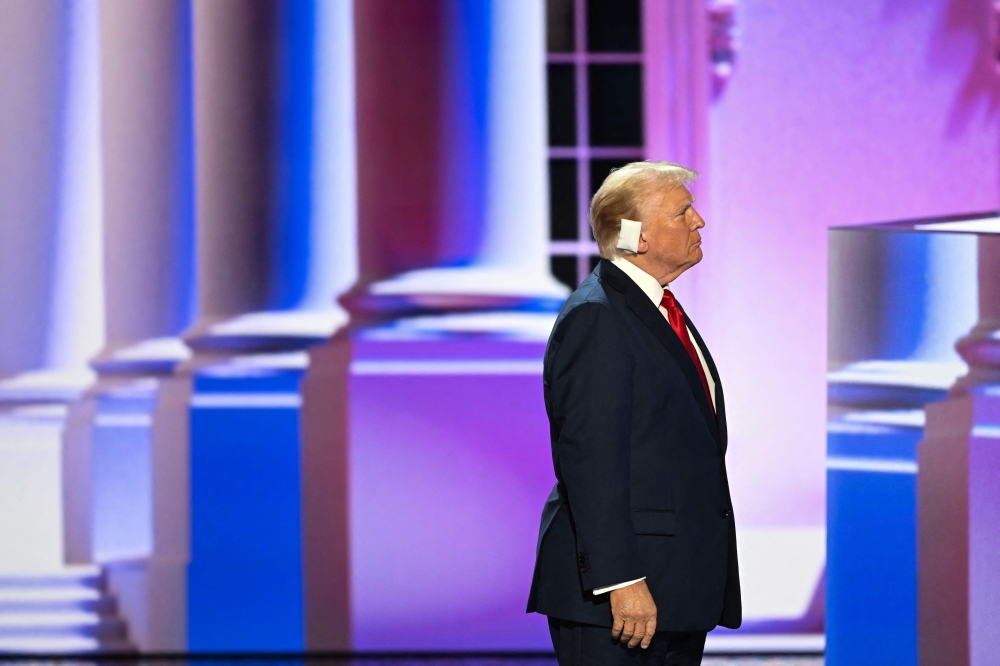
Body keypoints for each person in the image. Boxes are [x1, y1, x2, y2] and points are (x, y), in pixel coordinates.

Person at [527, 161, 741, 665]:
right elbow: (590, 459)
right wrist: (621, 579)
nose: (699, 222)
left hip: (676, 586)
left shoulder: (655, 309)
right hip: (622, 600)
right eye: (683, 211)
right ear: (635, 237)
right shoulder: (597, 316)